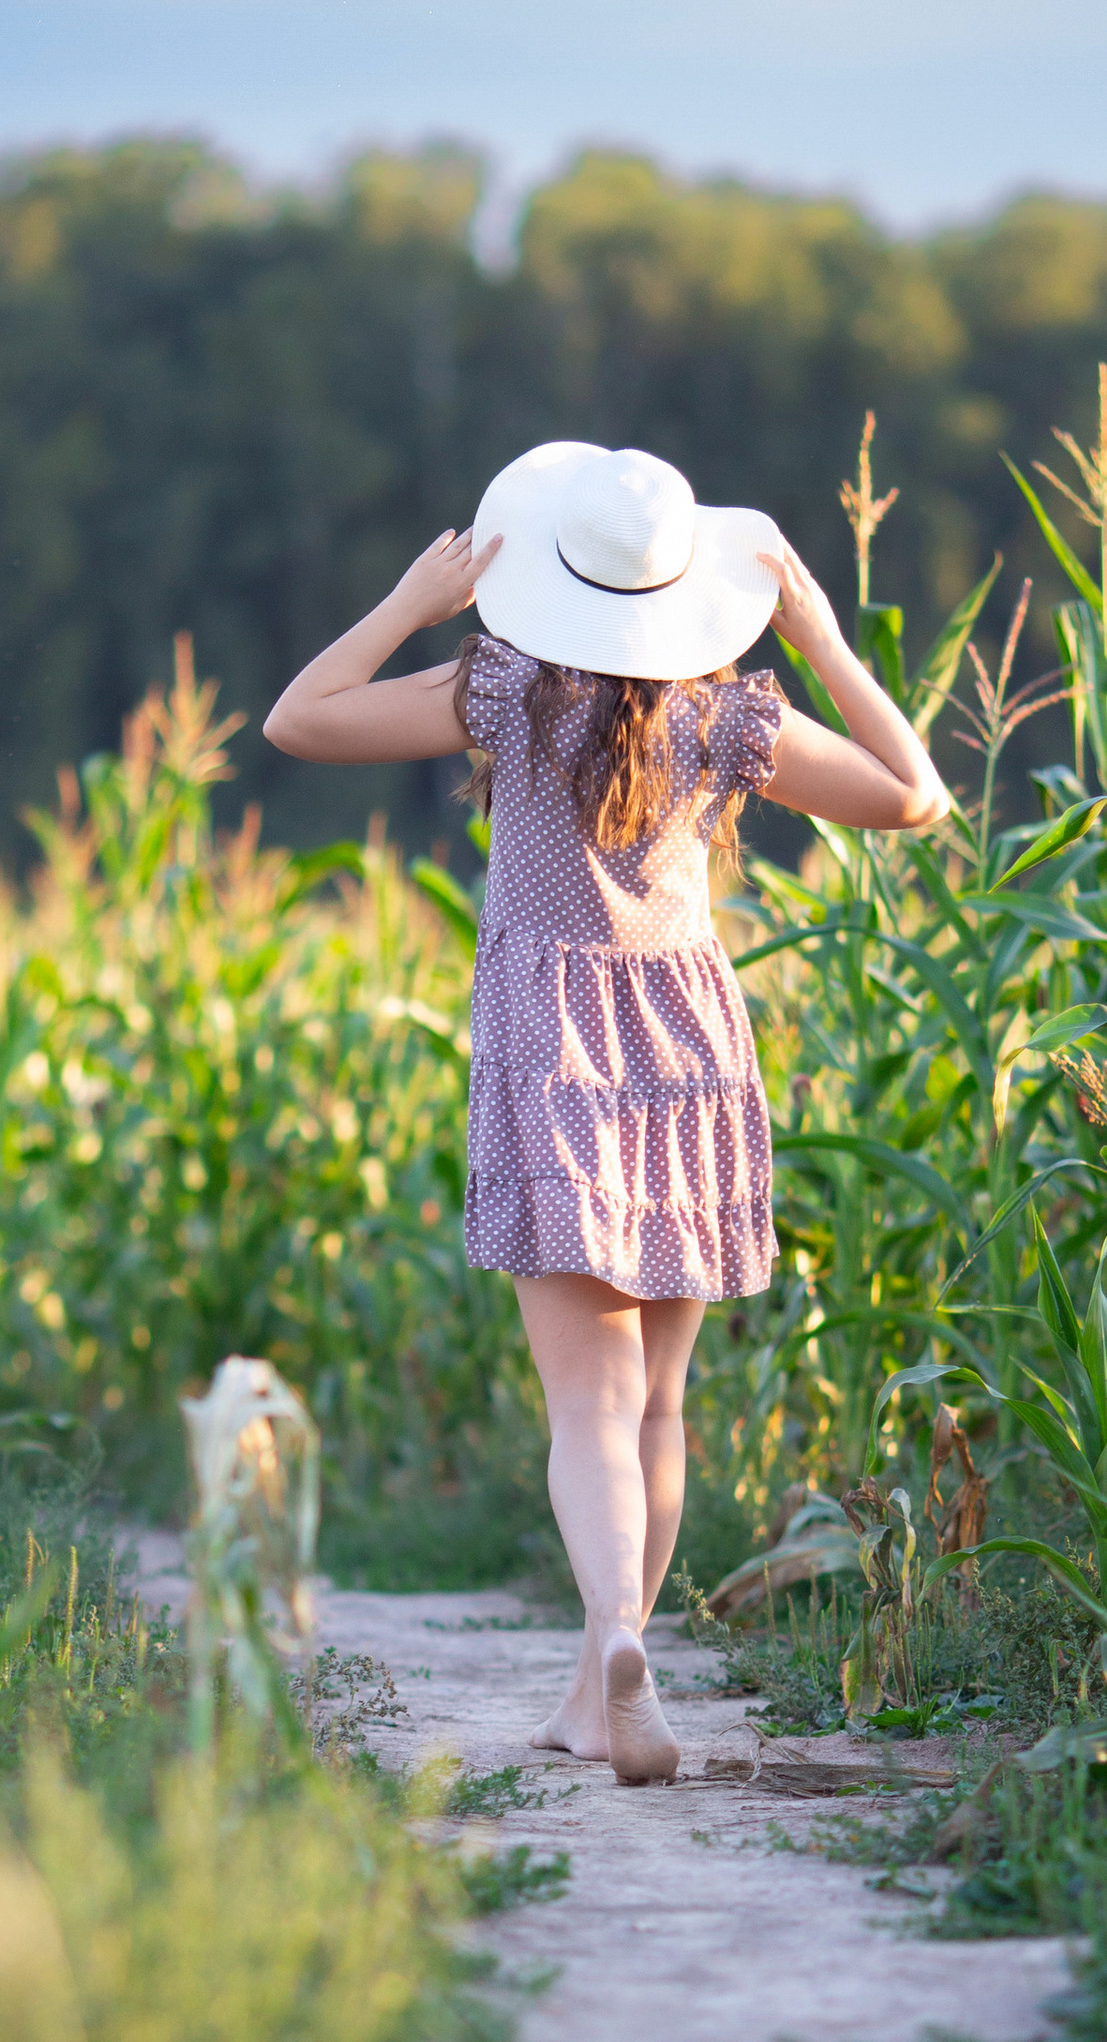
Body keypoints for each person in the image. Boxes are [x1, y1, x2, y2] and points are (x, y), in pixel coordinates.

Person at [265, 440, 953, 1784]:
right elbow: (914, 797)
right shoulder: (727, 718)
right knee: (663, 1407)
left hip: (556, 1052)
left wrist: (415, 598)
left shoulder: (505, 696)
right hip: (689, 1048)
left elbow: (301, 718)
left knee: (590, 1403)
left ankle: (611, 1645)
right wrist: (811, 629)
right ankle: (609, 1677)